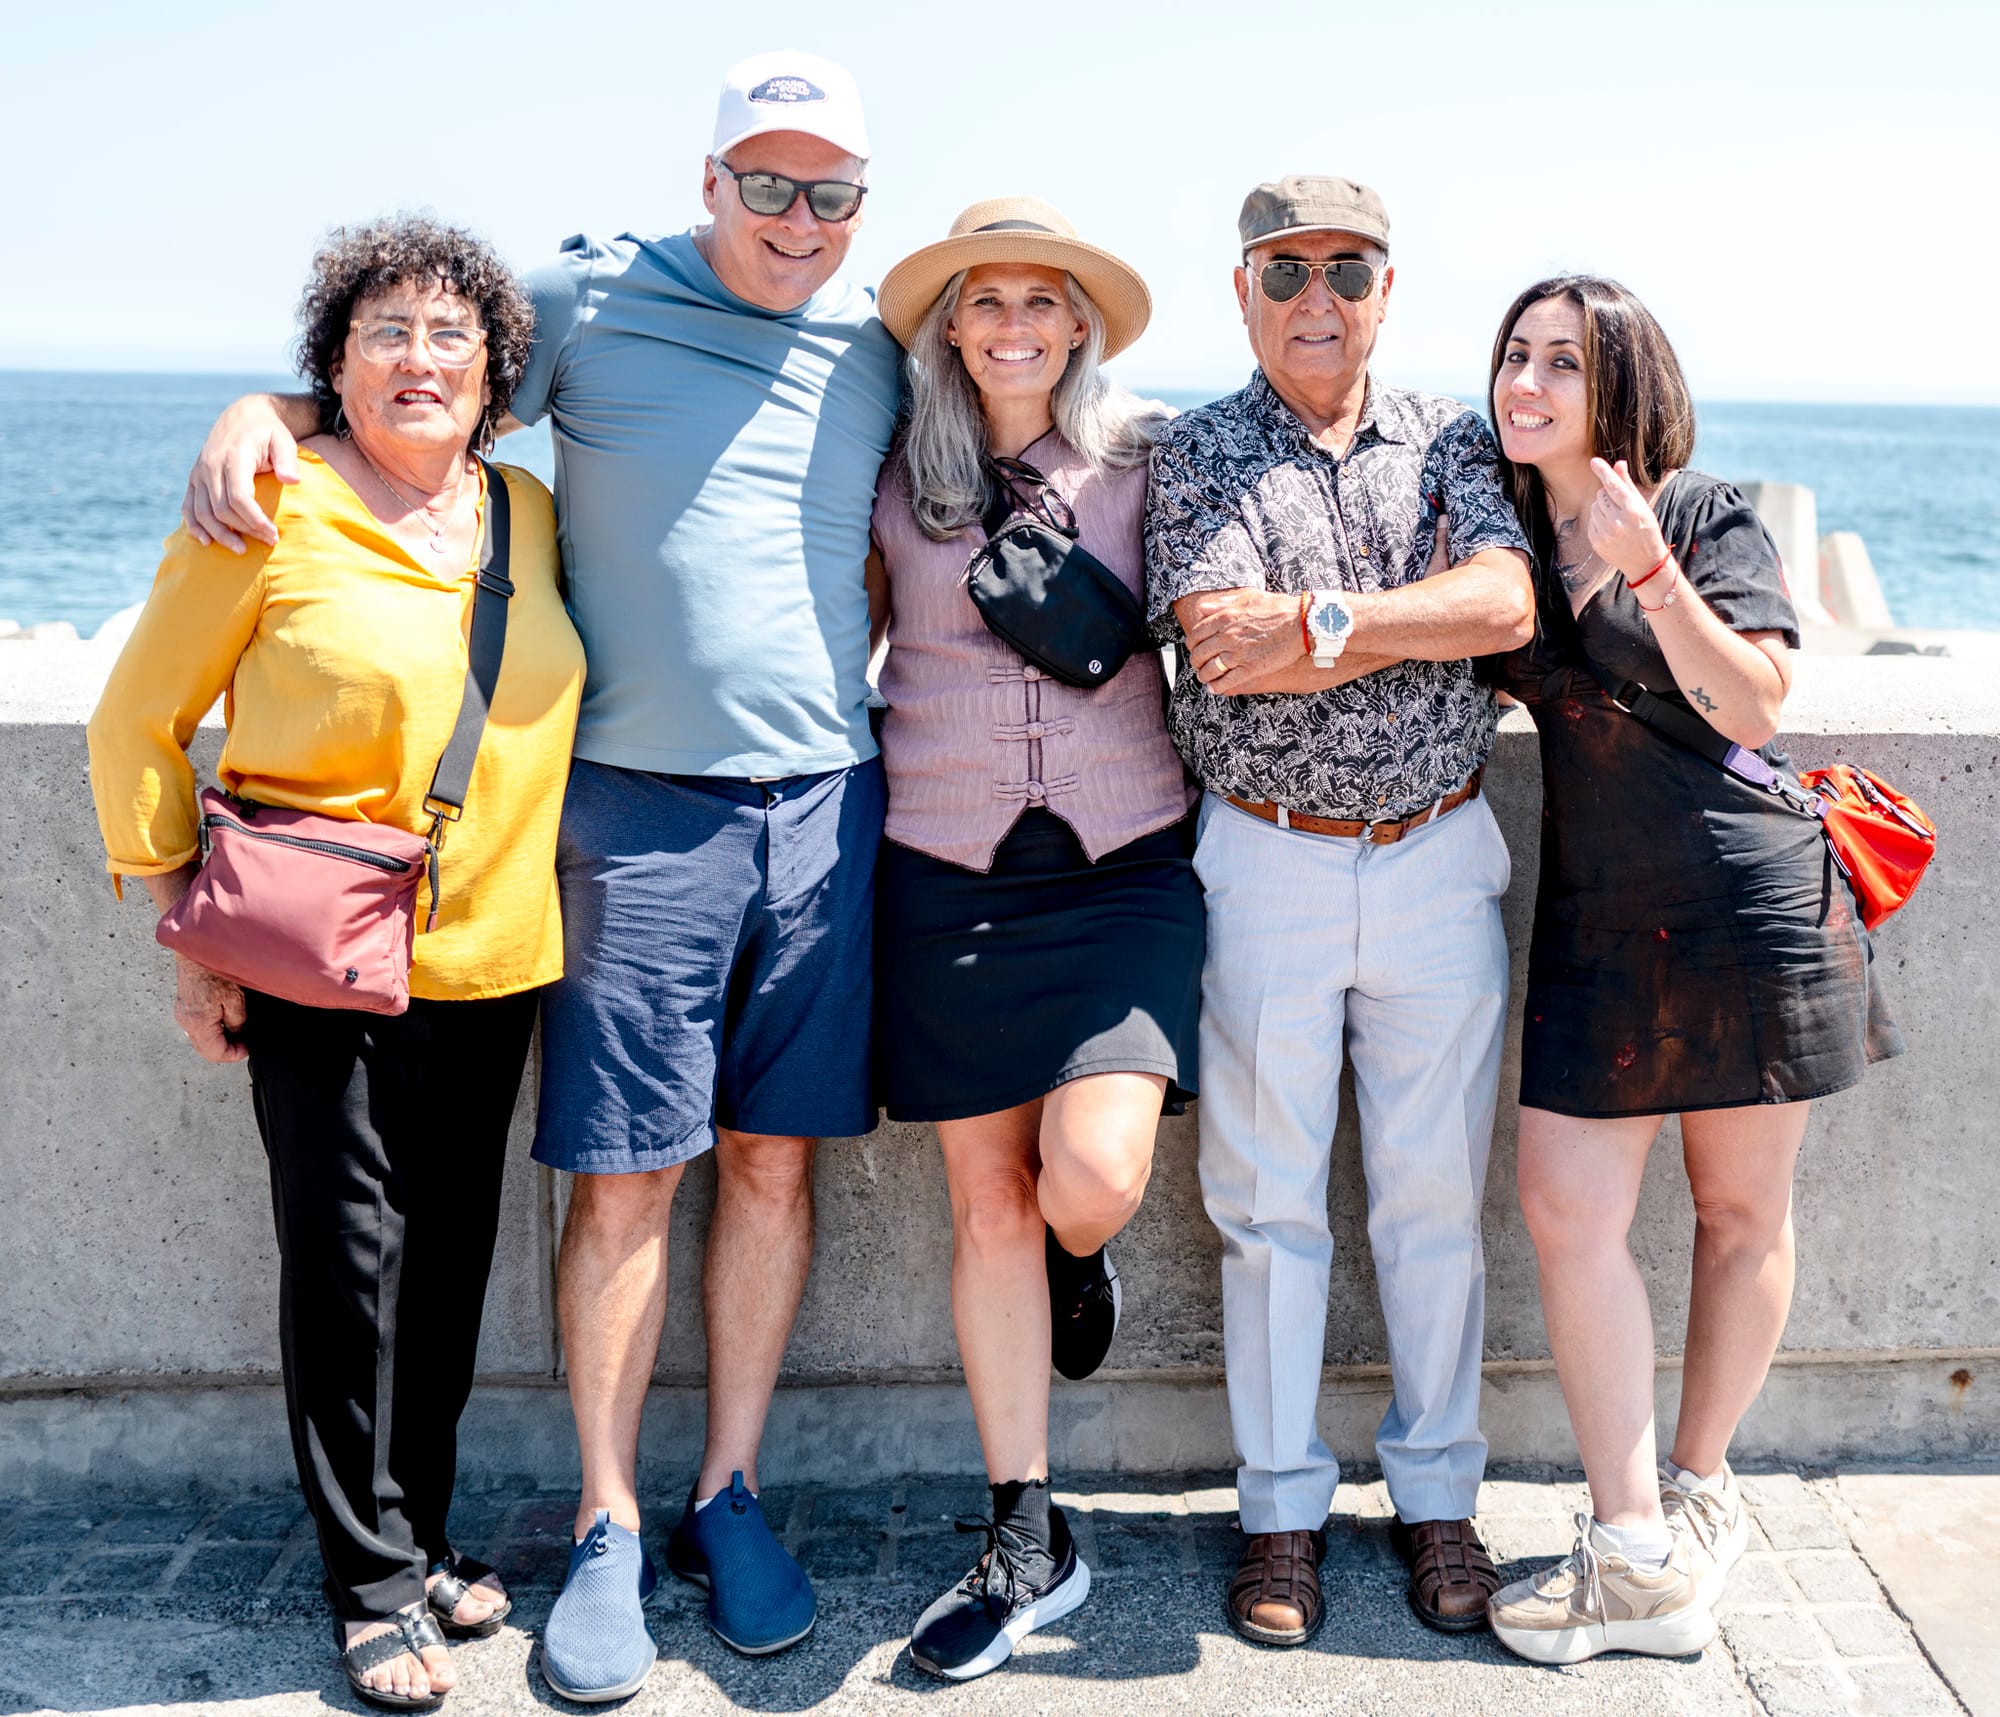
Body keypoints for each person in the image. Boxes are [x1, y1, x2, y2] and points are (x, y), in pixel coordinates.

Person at [178, 51, 902, 1700]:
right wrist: (264, 411)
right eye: (767, 183)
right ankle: (603, 1520)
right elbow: (423, 373)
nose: (798, 219)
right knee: (628, 1177)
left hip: (829, 805)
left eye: (833, 191)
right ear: (710, 178)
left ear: (866, 204)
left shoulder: (877, 343)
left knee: (774, 1169)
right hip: (636, 813)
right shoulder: (589, 293)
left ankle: (727, 1494)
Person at [88, 216, 583, 1710]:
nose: (419, 359)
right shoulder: (272, 502)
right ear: (332, 367)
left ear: (498, 369)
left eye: (450, 335)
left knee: (444, 1267)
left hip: (495, 949)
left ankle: (418, 1531)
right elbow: (135, 720)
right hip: (315, 952)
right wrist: (186, 925)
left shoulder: (527, 514)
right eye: (384, 335)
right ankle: (365, 1584)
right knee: (348, 1264)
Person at [1479, 276, 1902, 1664]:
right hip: (1600, 913)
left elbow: (1761, 701)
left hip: (1746, 900)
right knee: (1563, 1204)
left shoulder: (1701, 514)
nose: (1528, 382)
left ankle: (1690, 1500)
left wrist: (1651, 565)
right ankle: (1639, 1545)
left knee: (1739, 1213)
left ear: (1623, 387)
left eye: (1563, 361)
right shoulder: (1504, 529)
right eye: (1516, 355)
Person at [1144, 175, 1536, 1645]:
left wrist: (1317, 621)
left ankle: (1440, 1498)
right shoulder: (1193, 454)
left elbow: (1503, 606)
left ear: (1388, 286)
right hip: (1268, 858)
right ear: (1241, 289)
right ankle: (1279, 1513)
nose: (1319, 297)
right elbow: (1220, 654)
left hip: (1439, 854)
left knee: (1435, 1202)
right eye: (1287, 269)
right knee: (1265, 1207)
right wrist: (1398, 619)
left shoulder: (1452, 433)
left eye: (1348, 270)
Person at [868, 198, 1202, 1680]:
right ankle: (1026, 1534)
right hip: (944, 874)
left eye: (1039, 302)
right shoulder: (891, 473)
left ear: (1078, 325)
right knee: (986, 1205)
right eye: (983, 301)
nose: (1011, 324)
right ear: (952, 325)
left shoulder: (1152, 460)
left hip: (1125, 868)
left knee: (1092, 1174)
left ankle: (1088, 1252)